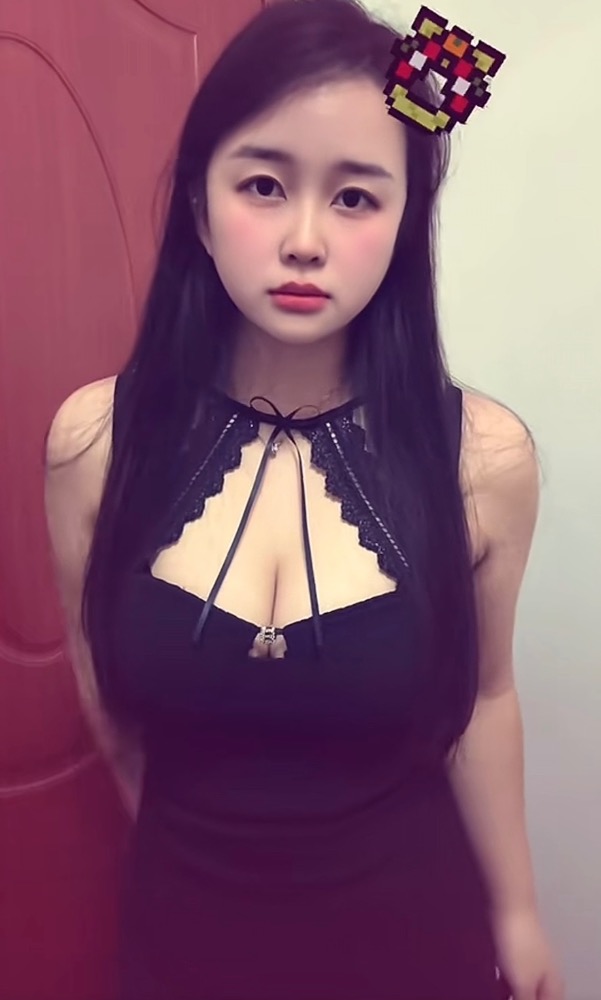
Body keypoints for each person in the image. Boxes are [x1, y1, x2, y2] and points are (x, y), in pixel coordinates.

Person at [43, 1, 565, 997]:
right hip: (182, 943)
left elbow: (484, 697)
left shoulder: (485, 456)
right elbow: (108, 708)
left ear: (404, 224)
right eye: (264, 185)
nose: (305, 240)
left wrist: (518, 913)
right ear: (199, 207)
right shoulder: (94, 443)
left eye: (357, 197)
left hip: (416, 946)